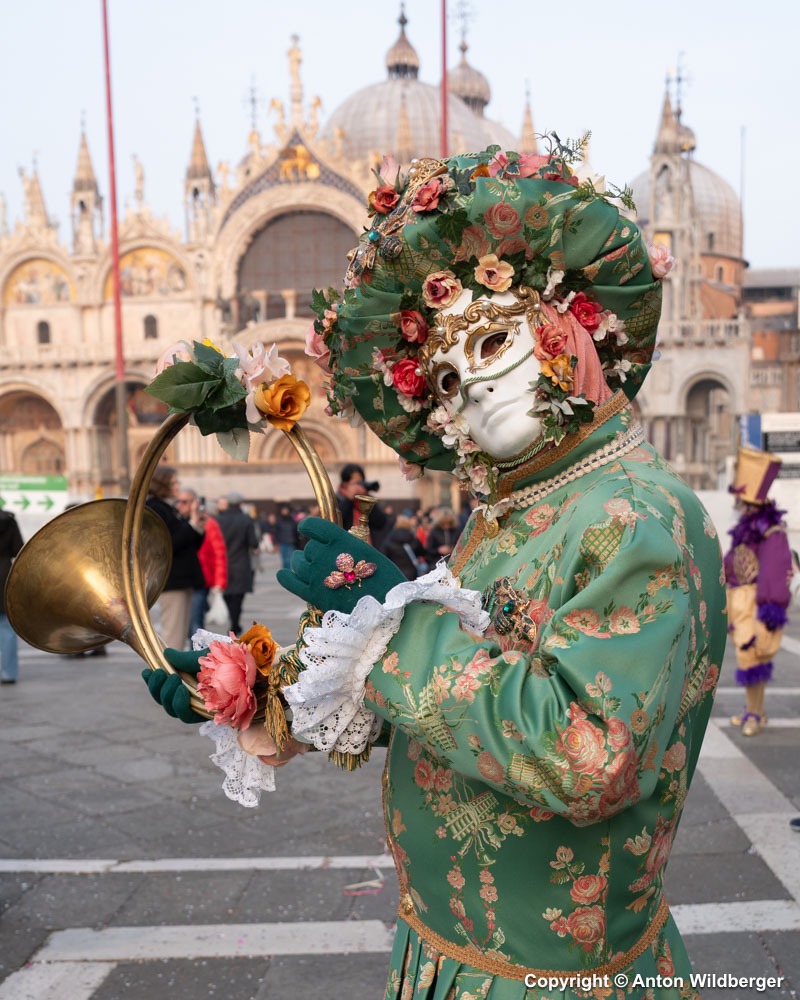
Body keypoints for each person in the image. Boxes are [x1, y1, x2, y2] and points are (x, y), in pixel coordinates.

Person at [149, 146, 727, 998]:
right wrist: (262, 697)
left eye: (490, 339)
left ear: (562, 329)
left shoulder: (635, 513)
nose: (465, 393)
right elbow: (454, 707)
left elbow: (586, 756)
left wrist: (393, 622)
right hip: (443, 954)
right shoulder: (513, 514)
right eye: (444, 378)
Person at [724, 448, 792, 736]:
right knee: (748, 655)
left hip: (756, 600)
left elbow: (775, 570)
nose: (739, 507)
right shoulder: (745, 531)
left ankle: (754, 713)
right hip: (739, 600)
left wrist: (770, 607)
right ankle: (756, 711)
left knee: (752, 656)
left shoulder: (771, 532)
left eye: (743, 502)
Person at [146, 465, 205, 651]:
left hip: (182, 578)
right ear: (162, 484)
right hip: (172, 580)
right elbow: (167, 543)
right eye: (174, 482)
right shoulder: (155, 508)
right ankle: (171, 675)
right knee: (174, 635)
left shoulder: (166, 507)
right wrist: (191, 525)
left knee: (180, 634)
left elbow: (189, 544)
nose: (178, 485)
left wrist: (197, 527)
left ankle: (176, 673)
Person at [184, 489, 228, 641]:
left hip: (201, 579)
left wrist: (218, 583)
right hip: (181, 581)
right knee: (185, 623)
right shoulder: (180, 523)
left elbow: (218, 554)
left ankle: (193, 657)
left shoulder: (209, 524)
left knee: (195, 622)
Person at [216, 491, 258, 635]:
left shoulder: (218, 520)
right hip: (241, 563)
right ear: (240, 504)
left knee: (226, 594)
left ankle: (234, 622)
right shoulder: (245, 520)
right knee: (238, 597)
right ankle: (235, 623)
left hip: (223, 563)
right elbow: (253, 542)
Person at [336, 462, 392, 550]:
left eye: (360, 482)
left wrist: (366, 499)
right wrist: (349, 499)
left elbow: (381, 523)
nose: (359, 486)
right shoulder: (337, 499)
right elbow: (336, 521)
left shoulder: (367, 499)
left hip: (367, 549)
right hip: (344, 550)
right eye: (355, 483)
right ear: (345, 483)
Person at [0, 510, 23, 684]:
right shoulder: (8, 520)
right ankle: (9, 673)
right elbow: (18, 549)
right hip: (4, 575)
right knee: (7, 629)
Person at [382, 513, 427, 579]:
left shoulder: (389, 539)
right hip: (411, 573)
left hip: (395, 573)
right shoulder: (413, 538)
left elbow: (383, 555)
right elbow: (422, 553)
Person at [273, 505, 299, 570]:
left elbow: (296, 532)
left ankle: (288, 573)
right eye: (283, 510)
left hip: (291, 542)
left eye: (286, 510)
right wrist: (275, 543)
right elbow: (276, 532)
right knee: (284, 560)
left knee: (289, 560)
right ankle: (285, 573)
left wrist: (297, 543)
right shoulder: (279, 521)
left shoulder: (292, 521)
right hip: (282, 543)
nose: (285, 512)